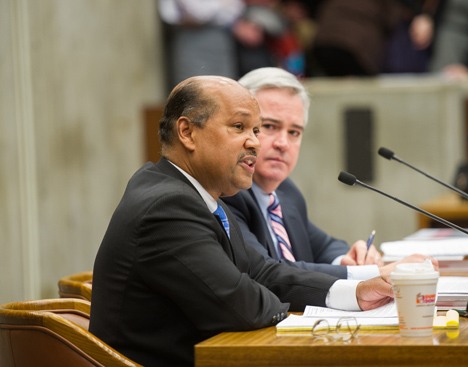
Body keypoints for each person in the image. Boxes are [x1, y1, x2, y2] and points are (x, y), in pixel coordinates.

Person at [89, 75, 395, 367]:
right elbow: (242, 306)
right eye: (239, 127)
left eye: (257, 130)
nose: (255, 144)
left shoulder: (201, 196)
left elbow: (263, 272)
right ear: (187, 132)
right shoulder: (168, 206)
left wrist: (356, 293)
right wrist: (276, 301)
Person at [223, 67, 437, 280]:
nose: (283, 143)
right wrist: (373, 274)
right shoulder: (226, 194)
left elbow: (325, 246)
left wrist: (349, 258)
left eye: (294, 132)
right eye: (269, 126)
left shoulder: (286, 192)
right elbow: (268, 271)